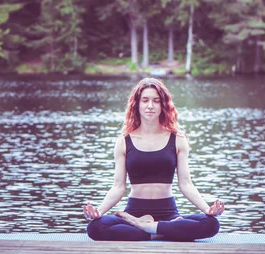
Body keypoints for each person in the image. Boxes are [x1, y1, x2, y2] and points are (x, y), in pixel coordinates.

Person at [83, 77, 225, 241]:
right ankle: (161, 231)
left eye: (156, 101)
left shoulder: (177, 139)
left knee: (211, 224)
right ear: (137, 104)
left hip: (168, 213)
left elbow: (185, 184)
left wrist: (207, 209)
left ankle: (149, 229)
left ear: (163, 105)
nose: (150, 105)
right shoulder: (124, 141)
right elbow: (118, 187)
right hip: (133, 213)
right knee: (95, 227)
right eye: (145, 100)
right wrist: (99, 212)